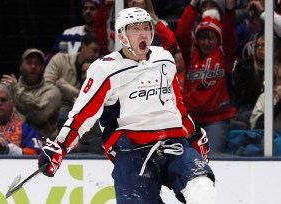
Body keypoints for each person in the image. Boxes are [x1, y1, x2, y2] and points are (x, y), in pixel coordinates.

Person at [38, 7, 216, 203]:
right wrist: (60, 146)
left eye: (146, 28)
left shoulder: (164, 59)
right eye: (135, 29)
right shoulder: (105, 69)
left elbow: (175, 104)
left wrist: (192, 133)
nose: (143, 34)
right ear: (122, 36)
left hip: (173, 143)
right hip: (132, 151)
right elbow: (83, 115)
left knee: (203, 189)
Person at [176, 0, 237, 155]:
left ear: (218, 39)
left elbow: (229, 34)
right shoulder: (190, 55)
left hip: (217, 120)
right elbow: (182, 31)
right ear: (197, 39)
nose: (206, 42)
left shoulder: (225, 55)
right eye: (202, 37)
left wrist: (229, 10)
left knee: (213, 158)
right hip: (190, 119)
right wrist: (193, 5)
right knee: (184, 158)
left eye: (211, 37)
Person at [0, 48, 61, 143]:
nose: (33, 67)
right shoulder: (9, 88)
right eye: (29, 63)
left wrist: (17, 91)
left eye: (38, 64)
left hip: (42, 144)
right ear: (21, 66)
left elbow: (40, 117)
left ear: (44, 68)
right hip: (9, 142)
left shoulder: (52, 91)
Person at [44, 32, 100, 128]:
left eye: (99, 52)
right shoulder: (60, 60)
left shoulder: (98, 69)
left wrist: (62, 85)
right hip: (57, 111)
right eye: (94, 50)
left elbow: (92, 99)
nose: (97, 55)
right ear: (83, 46)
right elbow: (46, 87)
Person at [0, 84, 42, 155]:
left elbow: (36, 153)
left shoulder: (26, 130)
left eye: (3, 100)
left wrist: (8, 149)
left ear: (13, 103)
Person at [94, 0, 178, 56]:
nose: (133, 1)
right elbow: (101, 32)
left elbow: (171, 45)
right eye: (130, 0)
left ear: (146, 2)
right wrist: (106, 5)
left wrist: (152, 21)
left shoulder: (160, 26)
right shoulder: (120, 33)